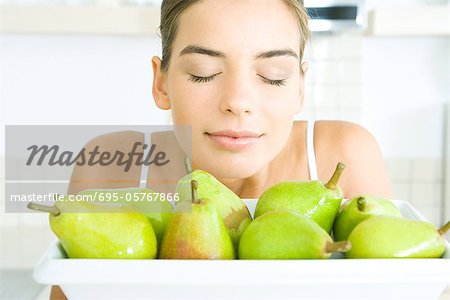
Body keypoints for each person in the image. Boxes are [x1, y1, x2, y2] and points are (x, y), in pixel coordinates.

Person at [68, 0, 391, 199]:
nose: (238, 102)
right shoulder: (109, 169)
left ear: (299, 89)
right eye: (203, 72)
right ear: (161, 83)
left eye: (273, 75)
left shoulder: (344, 157)